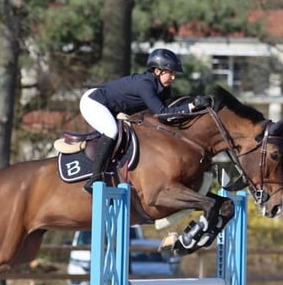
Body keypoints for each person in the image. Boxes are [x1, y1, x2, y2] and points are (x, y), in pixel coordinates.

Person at [78, 48, 212, 193]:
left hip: (112, 107)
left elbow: (171, 111)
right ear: (157, 71)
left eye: (174, 73)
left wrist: (195, 105)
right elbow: (162, 113)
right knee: (112, 131)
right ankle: (95, 178)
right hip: (93, 102)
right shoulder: (146, 85)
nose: (173, 77)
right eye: (170, 72)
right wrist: (192, 106)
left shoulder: (163, 88)